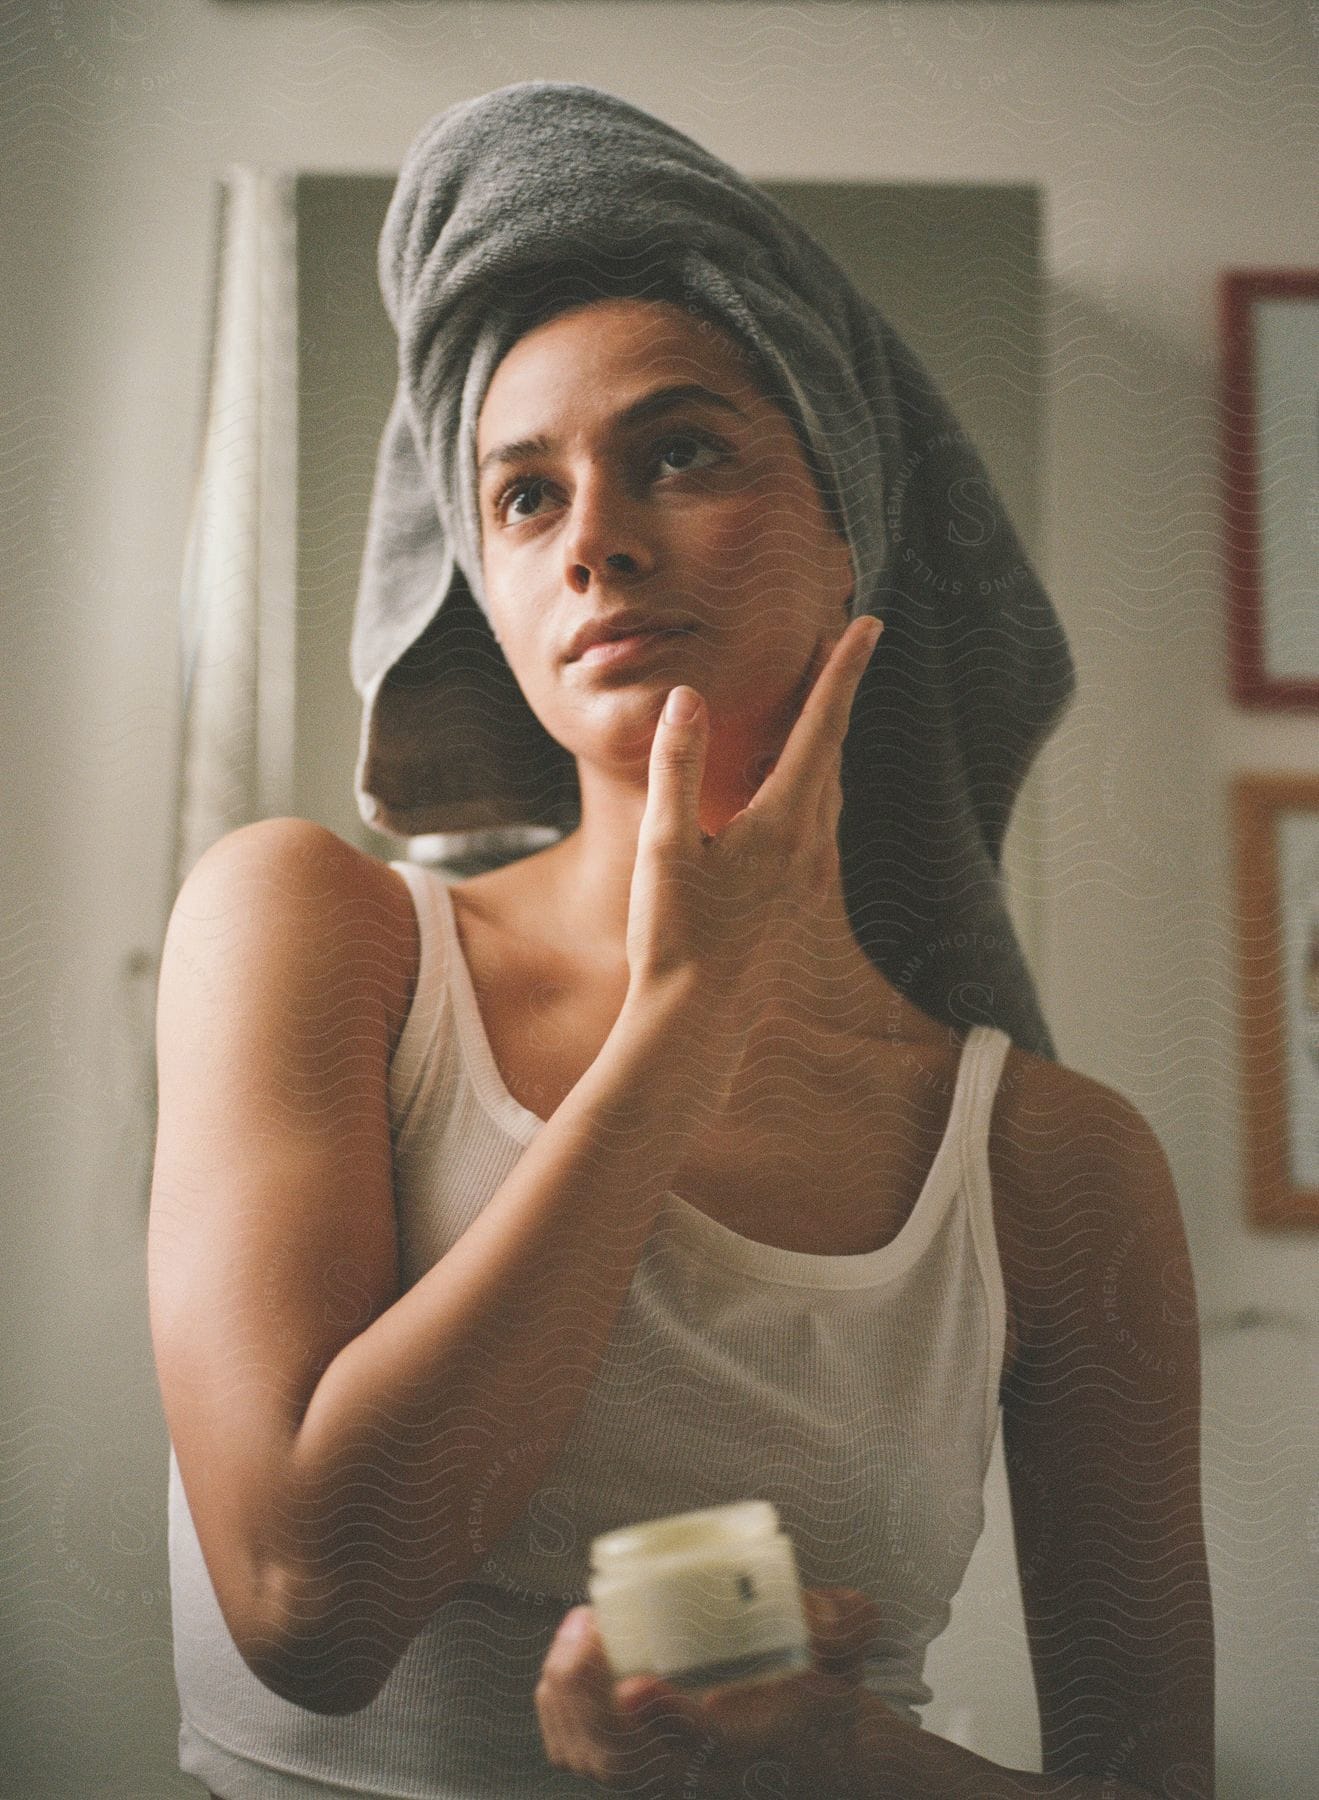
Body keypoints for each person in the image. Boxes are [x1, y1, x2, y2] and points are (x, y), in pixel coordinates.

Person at [148, 85, 1214, 1800]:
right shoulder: (317, 934)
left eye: (683, 450)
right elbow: (307, 1606)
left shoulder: (1047, 1164)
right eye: (520, 497)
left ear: (852, 527)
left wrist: (844, 1757)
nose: (596, 544)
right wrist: (682, 1026)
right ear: (486, 603)